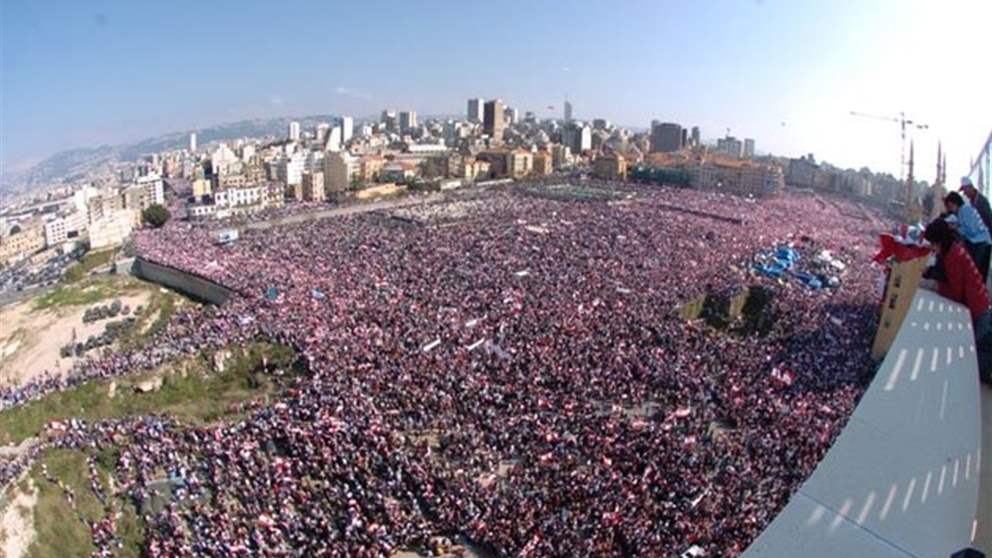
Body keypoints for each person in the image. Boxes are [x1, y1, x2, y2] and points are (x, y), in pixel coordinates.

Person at [923, 218, 992, 385]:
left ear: (939, 241)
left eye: (933, 243)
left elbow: (955, 293)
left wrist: (935, 286)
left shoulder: (953, 256)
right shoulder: (954, 249)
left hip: (978, 310)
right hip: (980, 304)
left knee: (979, 358)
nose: (932, 248)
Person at [944, 191, 992, 282]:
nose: (951, 209)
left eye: (951, 206)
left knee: (977, 274)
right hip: (979, 242)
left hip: (981, 243)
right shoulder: (961, 212)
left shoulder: (965, 210)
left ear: (956, 203)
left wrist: (956, 228)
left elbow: (971, 230)